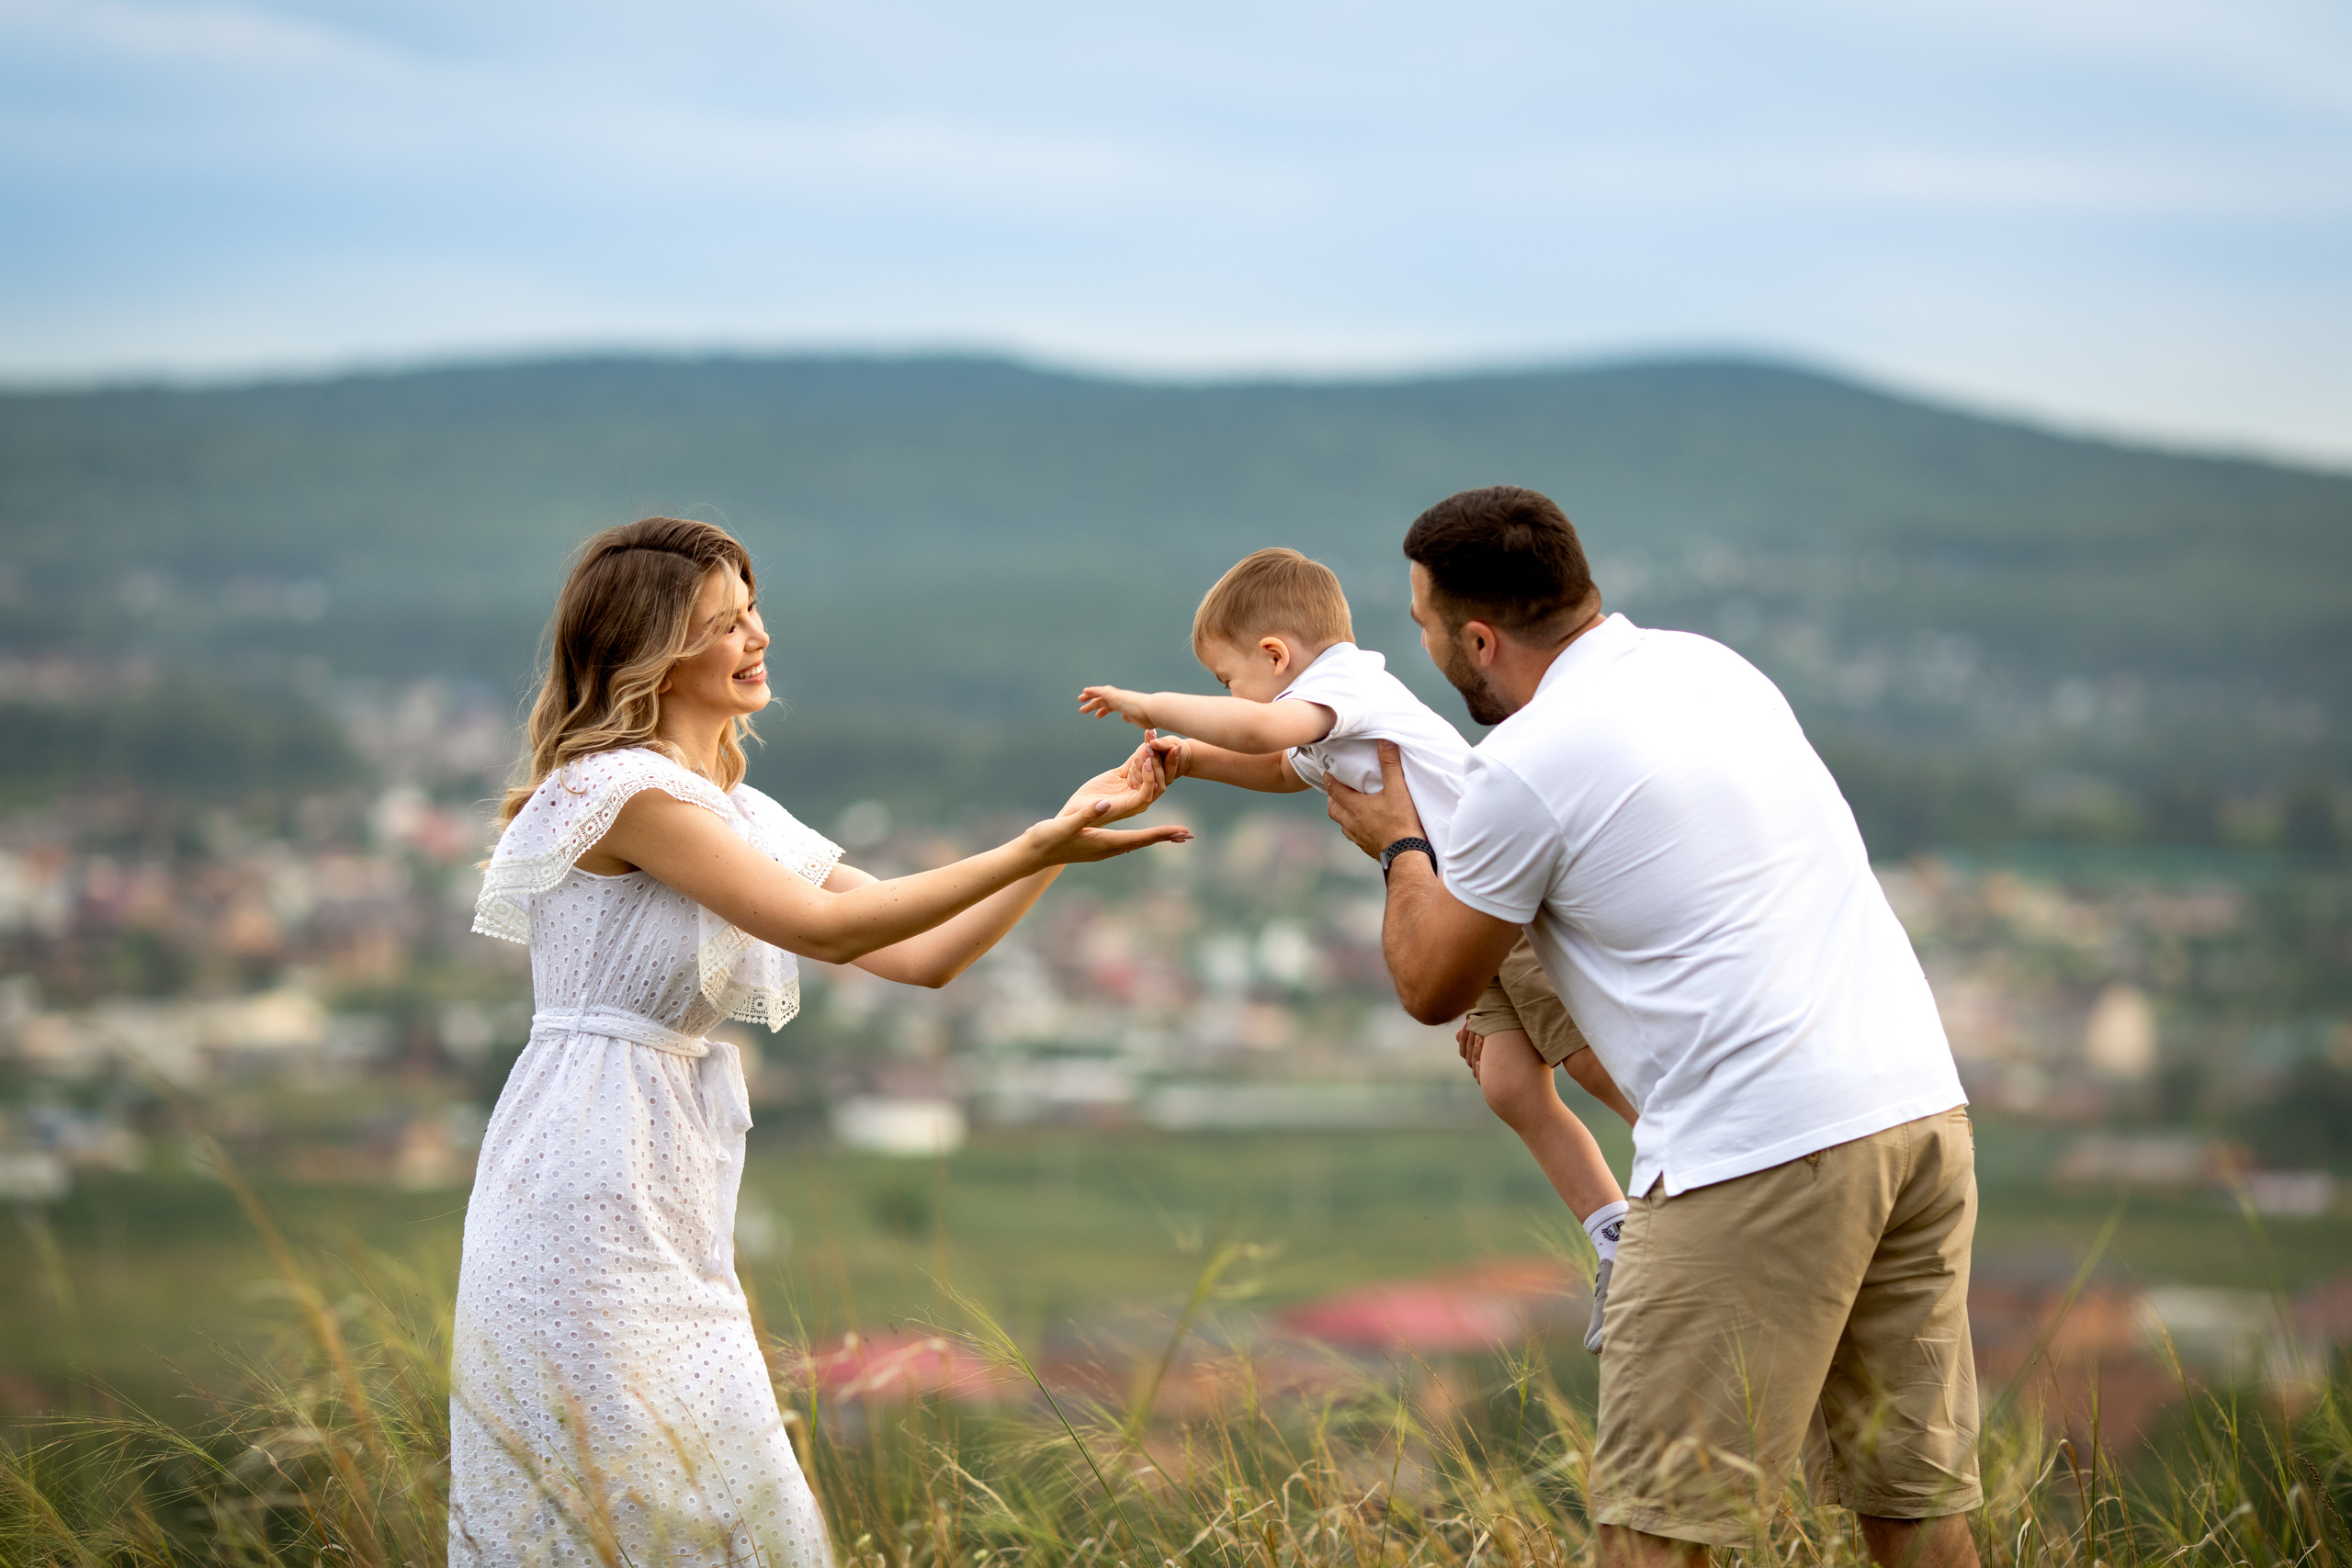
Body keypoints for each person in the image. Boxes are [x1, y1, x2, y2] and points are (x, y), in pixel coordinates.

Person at [452, 516, 1190, 1567]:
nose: (754, 639)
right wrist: (1031, 844)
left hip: (668, 1177)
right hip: (581, 1175)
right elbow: (827, 928)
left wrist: (1057, 842)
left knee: (728, 1505)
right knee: (627, 1504)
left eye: (752, 612)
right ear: (650, 656)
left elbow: (918, 952)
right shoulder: (616, 789)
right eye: (721, 625)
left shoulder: (735, 809)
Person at [1320, 487, 1980, 1568]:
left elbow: (1433, 983)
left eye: (1424, 625)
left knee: (1657, 1533)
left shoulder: (1526, 765)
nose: (1424, 643)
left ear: (1477, 638)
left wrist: (1399, 844)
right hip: (1916, 1111)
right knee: (1911, 1502)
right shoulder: (1710, 666)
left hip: (1757, 1153)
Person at [1078, 546, 1638, 1349]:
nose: (1223, 697)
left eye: (1224, 679)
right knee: (1511, 1082)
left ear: (1276, 656)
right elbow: (1280, 764)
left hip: (1498, 897)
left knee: (1582, 1054)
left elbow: (1266, 727)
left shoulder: (1342, 682)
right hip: (1452, 909)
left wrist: (1151, 705)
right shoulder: (1313, 718)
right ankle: (1616, 1234)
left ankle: (1689, 1154)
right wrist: (1195, 758)